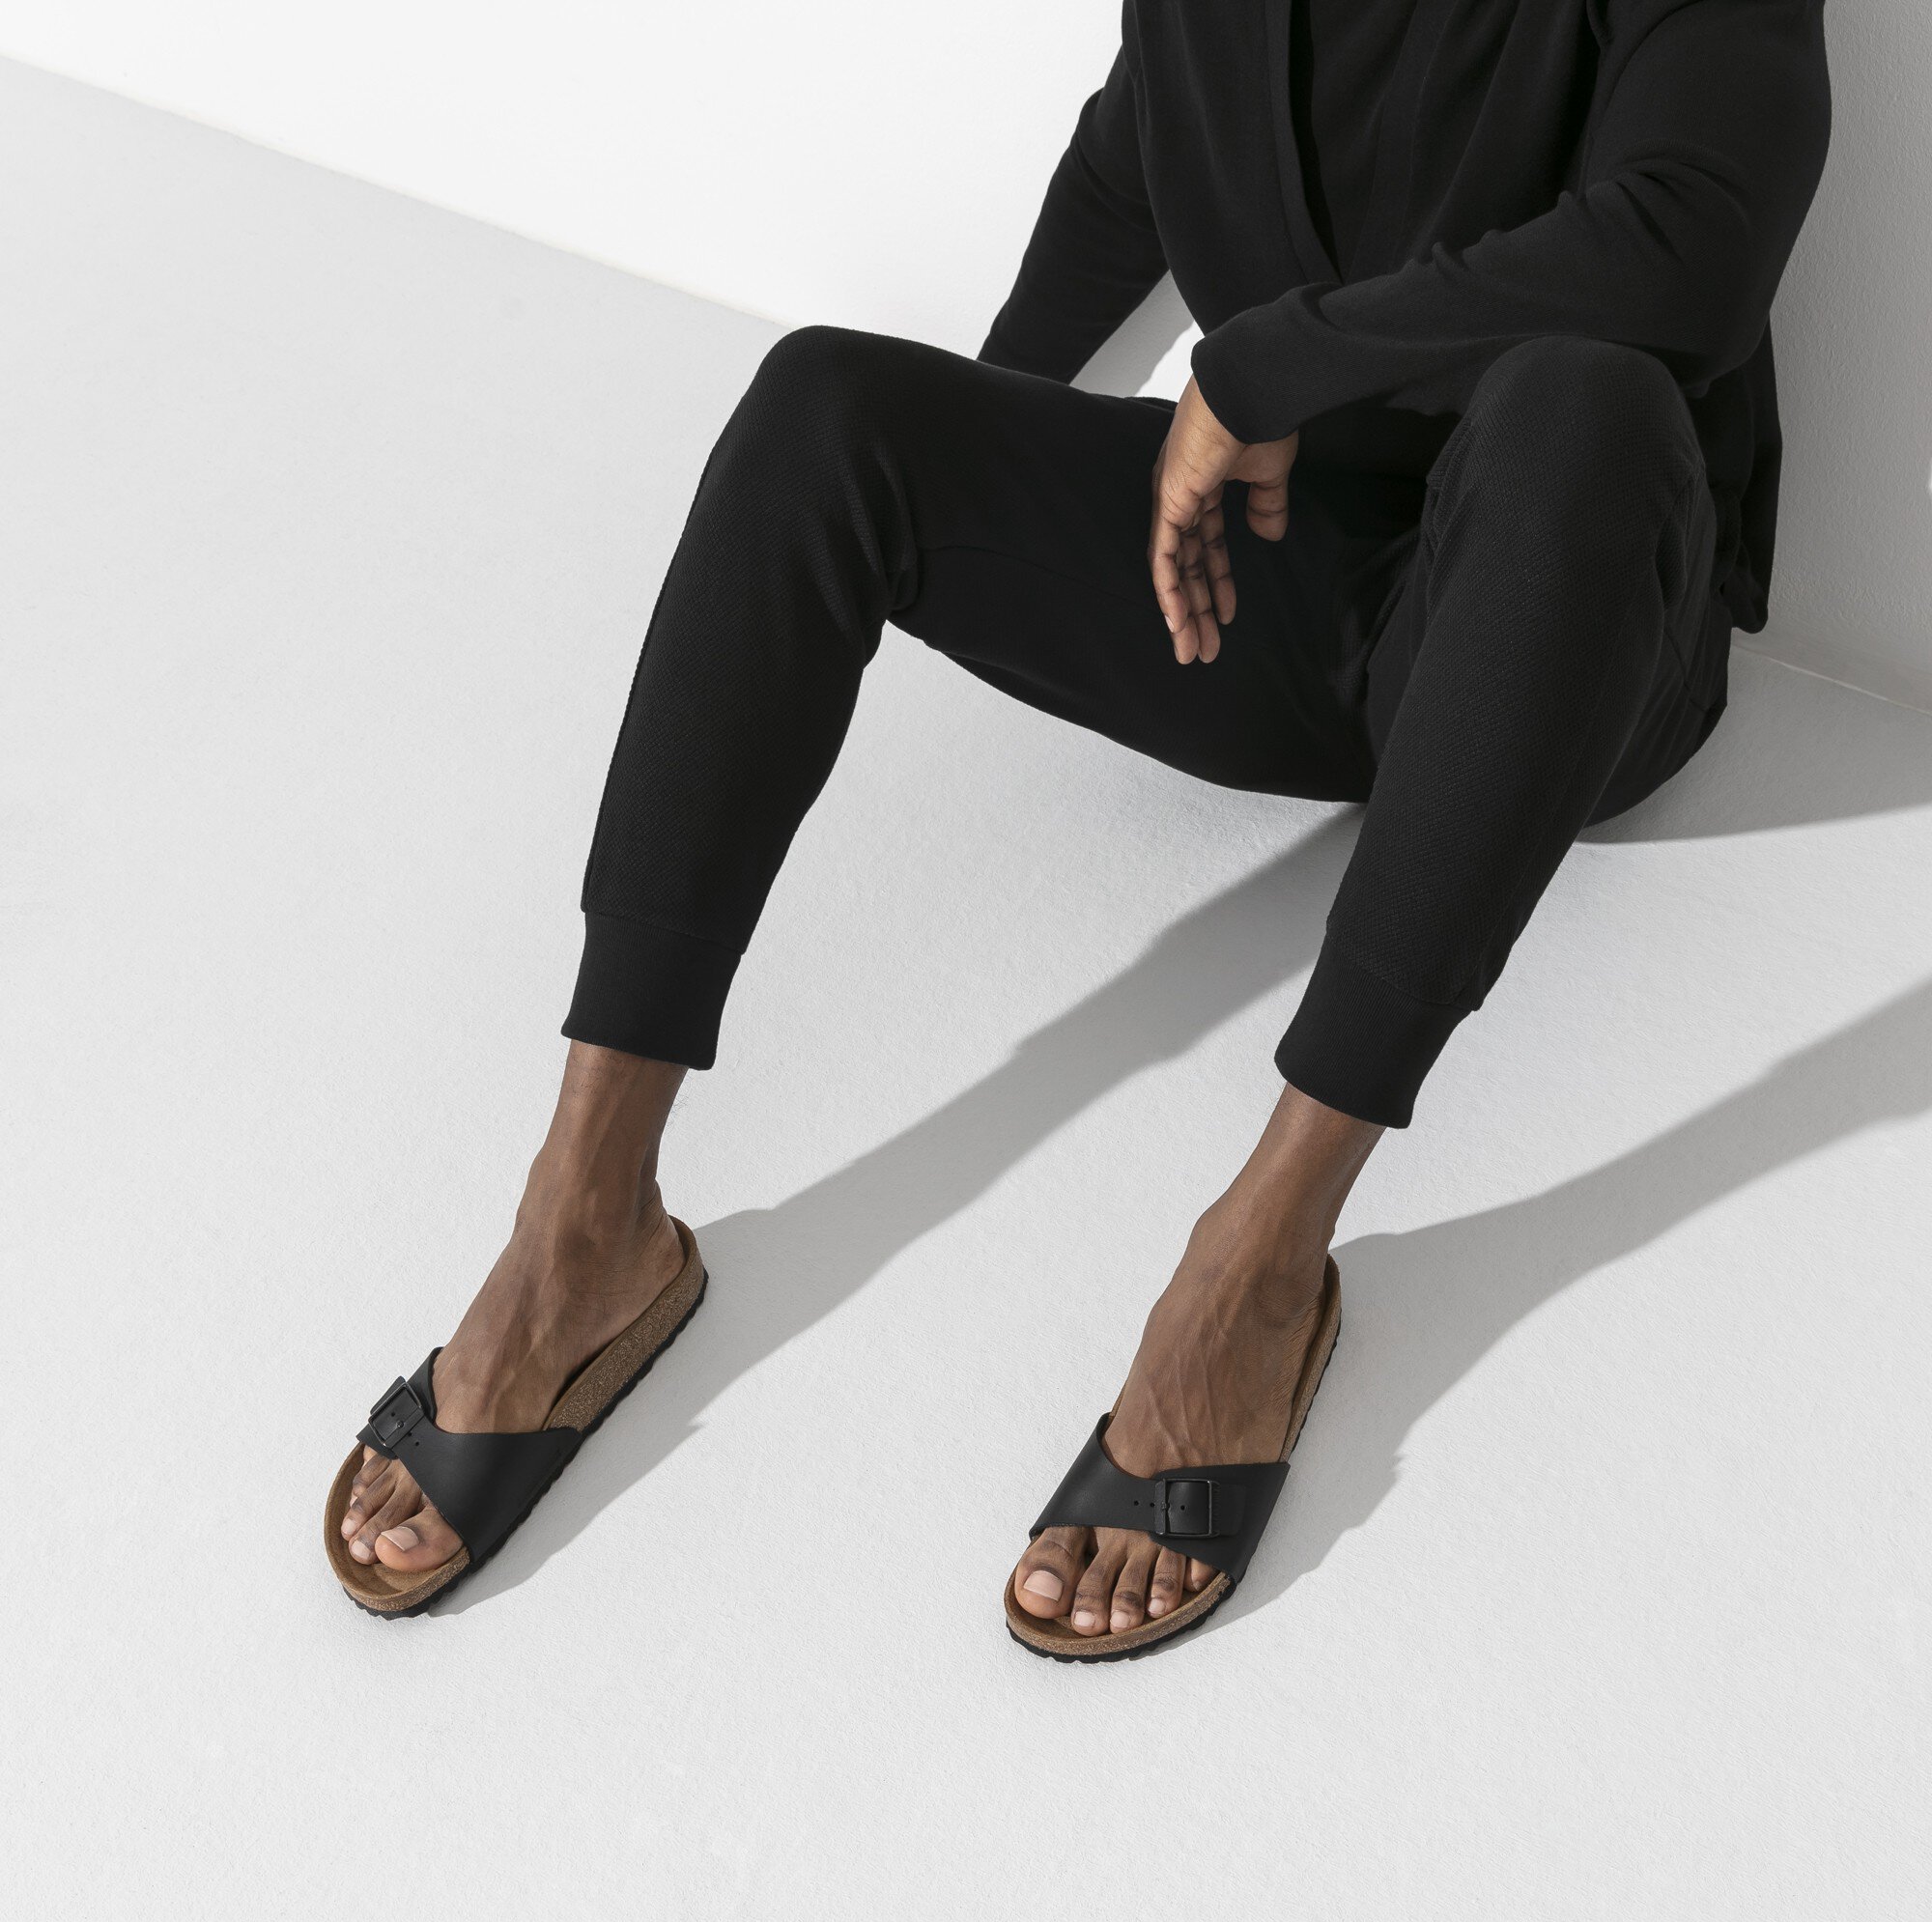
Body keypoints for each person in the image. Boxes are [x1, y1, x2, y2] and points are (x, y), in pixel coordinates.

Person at [327, 0, 1832, 1653]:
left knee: (1584, 413)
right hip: (1275, 576)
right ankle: (587, 1214)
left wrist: (1269, 363)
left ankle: (1262, 1258)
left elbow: (1694, 246)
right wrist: (990, 447)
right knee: (823, 407)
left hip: (1581, 629)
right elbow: (1143, 143)